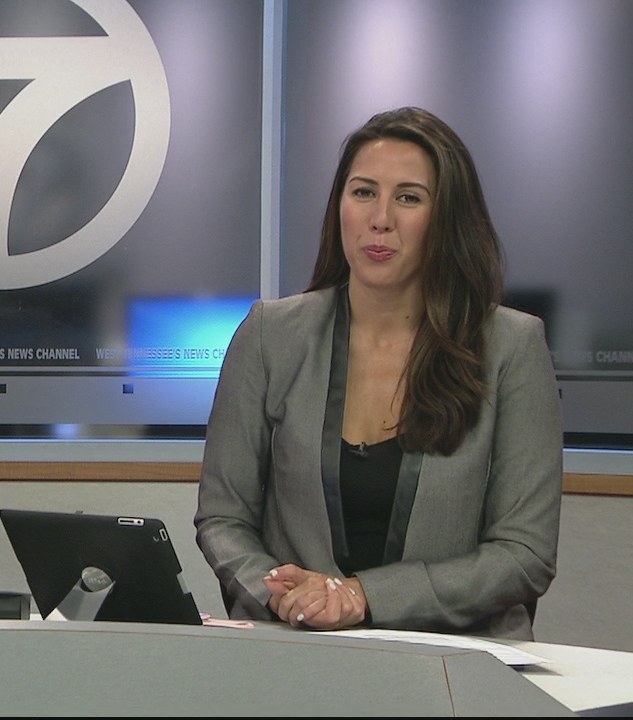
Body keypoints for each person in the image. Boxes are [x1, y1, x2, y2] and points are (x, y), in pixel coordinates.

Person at [193, 107, 562, 639]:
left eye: (408, 198)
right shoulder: (270, 334)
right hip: (300, 654)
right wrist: (288, 595)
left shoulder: (511, 346)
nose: (380, 218)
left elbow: (524, 554)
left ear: (447, 218)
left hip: (454, 660)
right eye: (363, 192)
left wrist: (364, 596)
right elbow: (224, 519)